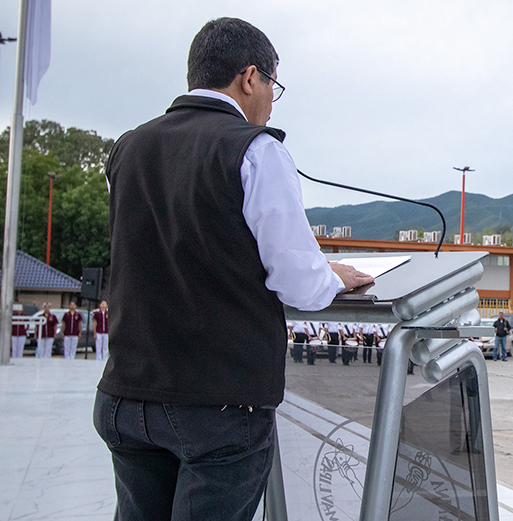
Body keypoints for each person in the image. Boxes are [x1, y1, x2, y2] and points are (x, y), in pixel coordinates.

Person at [93, 18, 374, 521]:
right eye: (272, 86)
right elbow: (299, 283)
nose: (270, 102)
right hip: (216, 407)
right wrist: (332, 275)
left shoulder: (127, 147)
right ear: (249, 77)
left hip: (126, 395)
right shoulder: (255, 149)